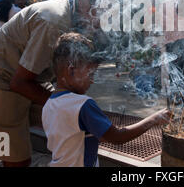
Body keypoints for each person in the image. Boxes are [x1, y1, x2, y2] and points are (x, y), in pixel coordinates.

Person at [0, 0, 118, 167]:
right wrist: (70, 108)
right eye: (97, 12)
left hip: (26, 75)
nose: (97, 22)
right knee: (15, 157)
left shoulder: (77, 13)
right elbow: (19, 83)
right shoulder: (53, 23)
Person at [42, 32, 171, 167]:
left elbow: (85, 135)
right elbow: (117, 137)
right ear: (71, 71)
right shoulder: (83, 105)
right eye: (90, 74)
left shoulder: (49, 104)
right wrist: (154, 119)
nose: (92, 81)